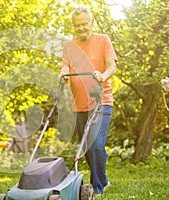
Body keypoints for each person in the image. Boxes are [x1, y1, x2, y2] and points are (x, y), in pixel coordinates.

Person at [59, 5, 117, 195]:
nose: (81, 28)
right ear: (73, 26)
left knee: (96, 144)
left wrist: (103, 75)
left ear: (91, 23)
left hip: (101, 101)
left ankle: (97, 188)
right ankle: (104, 179)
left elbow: (111, 66)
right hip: (79, 104)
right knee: (86, 149)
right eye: (77, 26)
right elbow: (65, 67)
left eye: (85, 24)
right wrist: (64, 74)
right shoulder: (69, 46)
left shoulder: (103, 40)